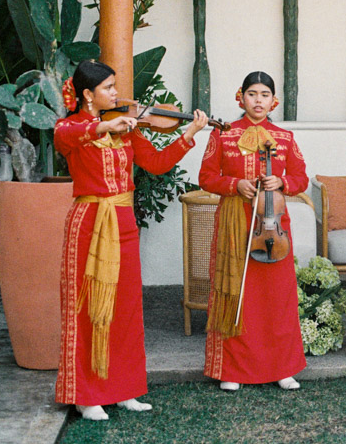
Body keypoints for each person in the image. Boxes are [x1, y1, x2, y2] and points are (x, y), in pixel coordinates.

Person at [54, 60, 208, 421]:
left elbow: (155, 163)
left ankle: (124, 389)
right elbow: (69, 138)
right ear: (88, 95)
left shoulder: (126, 130)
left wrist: (188, 134)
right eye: (108, 88)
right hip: (90, 221)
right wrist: (105, 124)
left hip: (123, 221)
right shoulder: (70, 126)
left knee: (125, 308)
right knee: (89, 307)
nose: (117, 94)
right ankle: (86, 395)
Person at [200, 71, 308, 391]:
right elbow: (206, 177)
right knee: (236, 293)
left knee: (277, 297)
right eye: (252, 94)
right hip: (235, 221)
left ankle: (282, 368)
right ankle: (232, 370)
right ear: (241, 97)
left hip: (274, 226)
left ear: (273, 100)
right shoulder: (223, 134)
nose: (258, 100)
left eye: (264, 94)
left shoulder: (285, 137)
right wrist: (235, 184)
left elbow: (301, 178)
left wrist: (283, 182)